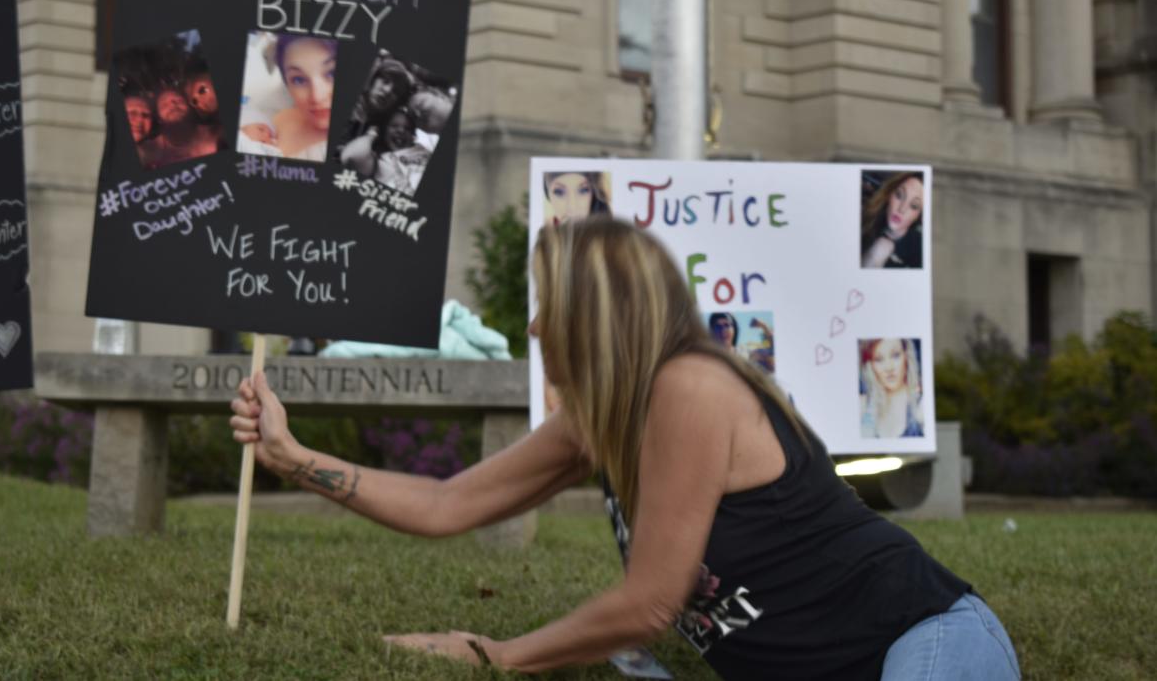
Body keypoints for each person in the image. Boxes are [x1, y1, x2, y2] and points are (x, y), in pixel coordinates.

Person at [229, 217, 1019, 679]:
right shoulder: (600, 418)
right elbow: (447, 504)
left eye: (550, 308)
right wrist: (293, 456)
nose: (535, 327)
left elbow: (650, 603)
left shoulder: (691, 388)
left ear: (596, 319)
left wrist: (496, 653)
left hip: (929, 638)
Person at [238, 35, 336, 162]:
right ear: (287, 85)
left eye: (332, 73)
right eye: (298, 79)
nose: (317, 97)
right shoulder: (279, 119)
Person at [338, 106, 436, 194]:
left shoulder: (421, 149)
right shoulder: (380, 160)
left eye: (407, 128)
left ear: (413, 136)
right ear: (383, 131)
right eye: (394, 126)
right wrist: (372, 133)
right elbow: (351, 155)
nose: (401, 131)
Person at [859, 338, 924, 439]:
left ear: (906, 356)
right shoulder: (863, 406)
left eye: (895, 355)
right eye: (878, 359)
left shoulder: (921, 405)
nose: (889, 367)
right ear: (870, 365)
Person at [861, 171, 924, 269]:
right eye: (899, 195)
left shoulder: (920, 249)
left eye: (914, 206)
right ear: (889, 194)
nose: (901, 209)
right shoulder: (866, 220)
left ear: (919, 215)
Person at [543, 171, 611, 226]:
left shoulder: (609, 233)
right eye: (559, 192)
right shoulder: (544, 232)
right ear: (548, 194)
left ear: (594, 194)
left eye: (583, 190)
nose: (572, 207)